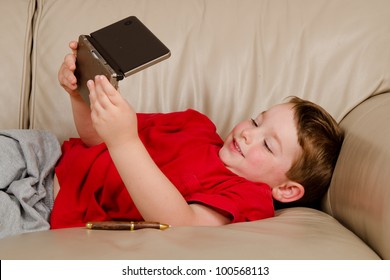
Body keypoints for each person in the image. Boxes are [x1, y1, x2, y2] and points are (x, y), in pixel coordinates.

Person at [51, 41, 344, 229]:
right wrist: (81, 96)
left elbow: (182, 223)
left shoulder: (248, 196)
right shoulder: (195, 124)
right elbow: (96, 139)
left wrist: (125, 141)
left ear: (287, 190)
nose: (247, 135)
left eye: (267, 145)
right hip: (47, 157)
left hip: (49, 203)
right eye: (256, 121)